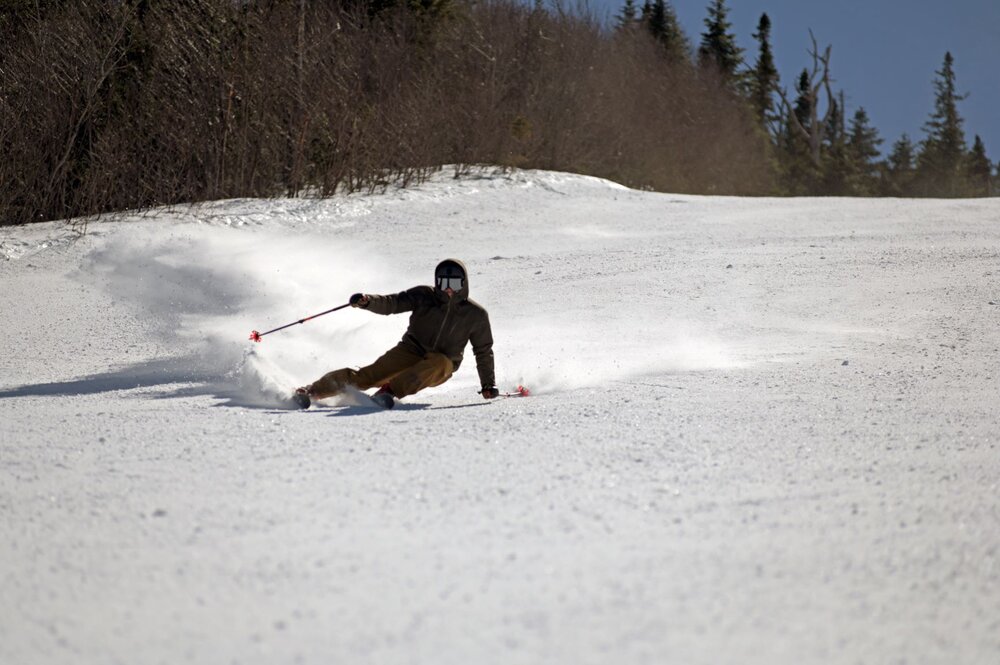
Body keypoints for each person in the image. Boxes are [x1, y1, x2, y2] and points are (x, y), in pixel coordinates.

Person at [293, 259, 500, 409]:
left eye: (454, 284)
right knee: (366, 376)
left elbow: (483, 352)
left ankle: (388, 392)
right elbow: (393, 303)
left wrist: (488, 384)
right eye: (444, 283)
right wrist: (368, 301)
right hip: (411, 350)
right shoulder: (424, 296)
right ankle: (312, 391)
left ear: (463, 284)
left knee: (439, 362)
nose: (449, 290)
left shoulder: (476, 315)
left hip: (441, 365)